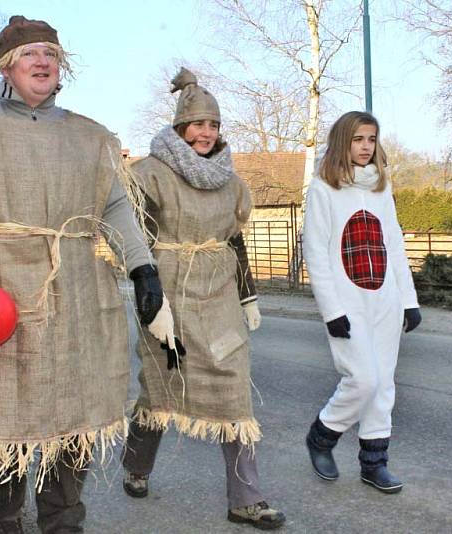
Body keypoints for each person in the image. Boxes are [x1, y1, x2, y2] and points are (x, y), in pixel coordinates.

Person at [0, 16, 174, 533]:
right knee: (4, 426)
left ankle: (63, 525)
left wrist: (143, 268)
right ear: (7, 66)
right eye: (30, 54)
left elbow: (116, 207)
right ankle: (2, 523)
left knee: (71, 423)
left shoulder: (91, 138)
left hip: (77, 298)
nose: (42, 62)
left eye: (50, 54)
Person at [121, 68, 285, 530]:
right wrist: (148, 298)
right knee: (161, 387)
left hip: (219, 296)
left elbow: (235, 242)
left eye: (213, 125)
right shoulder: (149, 175)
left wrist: (248, 297)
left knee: (234, 391)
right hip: (167, 291)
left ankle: (246, 500)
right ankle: (136, 467)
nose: (206, 133)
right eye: (197, 125)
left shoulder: (231, 183)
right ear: (179, 129)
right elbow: (132, 238)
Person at [302, 111, 422, 494]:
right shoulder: (323, 188)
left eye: (371, 139)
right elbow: (317, 252)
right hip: (347, 302)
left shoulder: (381, 188)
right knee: (364, 378)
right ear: (343, 143)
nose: (366, 146)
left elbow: (395, 245)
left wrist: (408, 300)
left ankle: (375, 463)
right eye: (357, 139)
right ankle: (322, 436)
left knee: (383, 383)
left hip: (384, 299)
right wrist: (331, 311)